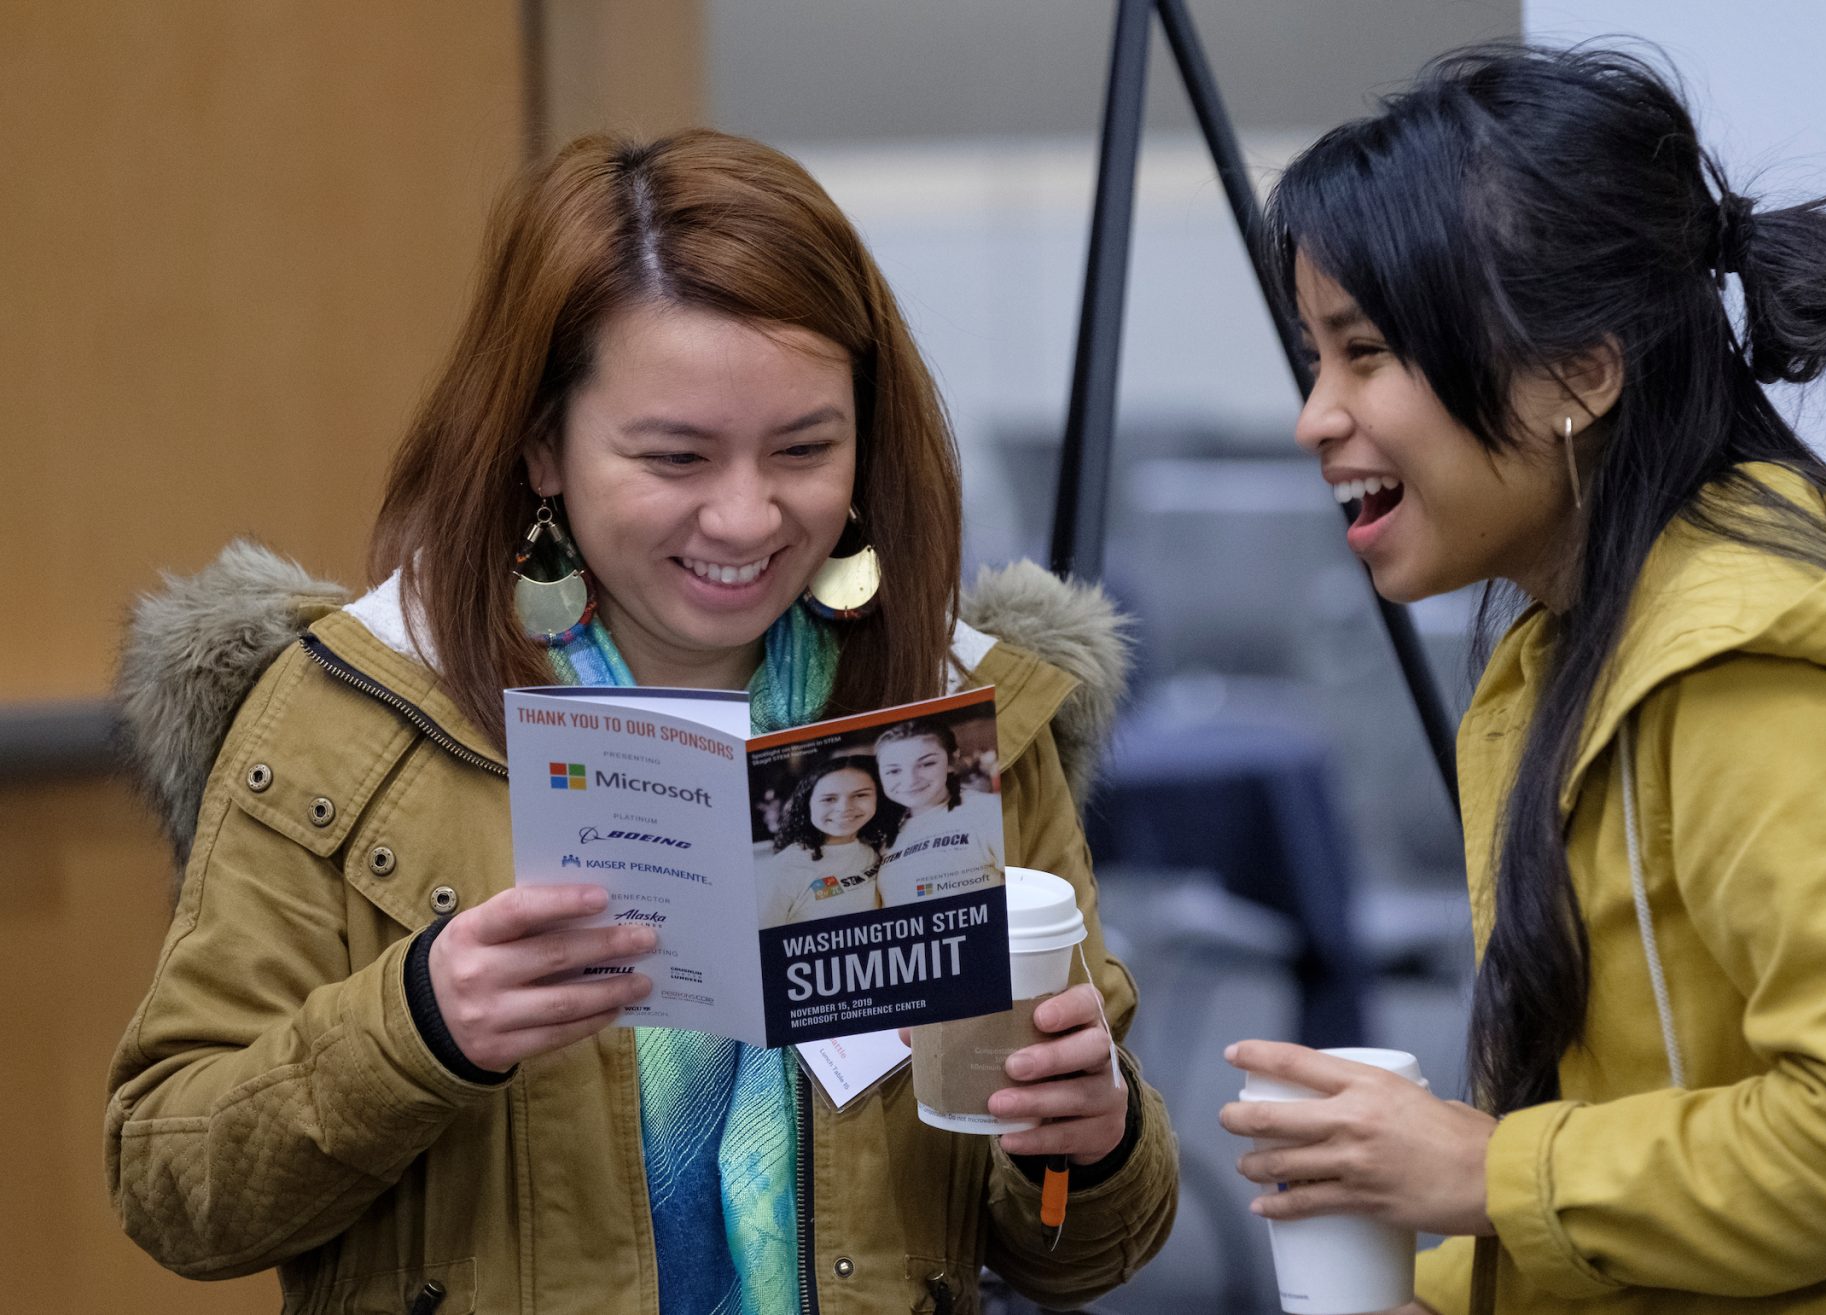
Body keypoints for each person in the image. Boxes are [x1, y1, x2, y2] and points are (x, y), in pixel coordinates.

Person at [107, 130, 1175, 1314]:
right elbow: (172, 1182)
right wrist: (416, 1025)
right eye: (674, 456)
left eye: (805, 448)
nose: (745, 515)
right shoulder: (353, 716)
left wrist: (1087, 1137)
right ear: (540, 448)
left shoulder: (952, 724)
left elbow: (1082, 1251)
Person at [1217, 44, 1826, 1315]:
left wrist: (1479, 1168)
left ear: (1579, 374)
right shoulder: (1580, 648)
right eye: (1314, 356)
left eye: (1366, 350)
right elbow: (1628, 1142)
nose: (1314, 415)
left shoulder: (1740, 670)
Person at [873, 718, 1006, 907]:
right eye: (893, 771)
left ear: (952, 759)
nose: (910, 780)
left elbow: (1023, 889)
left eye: (927, 764)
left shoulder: (986, 810)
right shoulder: (883, 832)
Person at [757, 754, 898, 926]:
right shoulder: (786, 867)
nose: (844, 808)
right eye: (829, 799)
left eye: (860, 795)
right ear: (807, 804)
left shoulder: (876, 850)